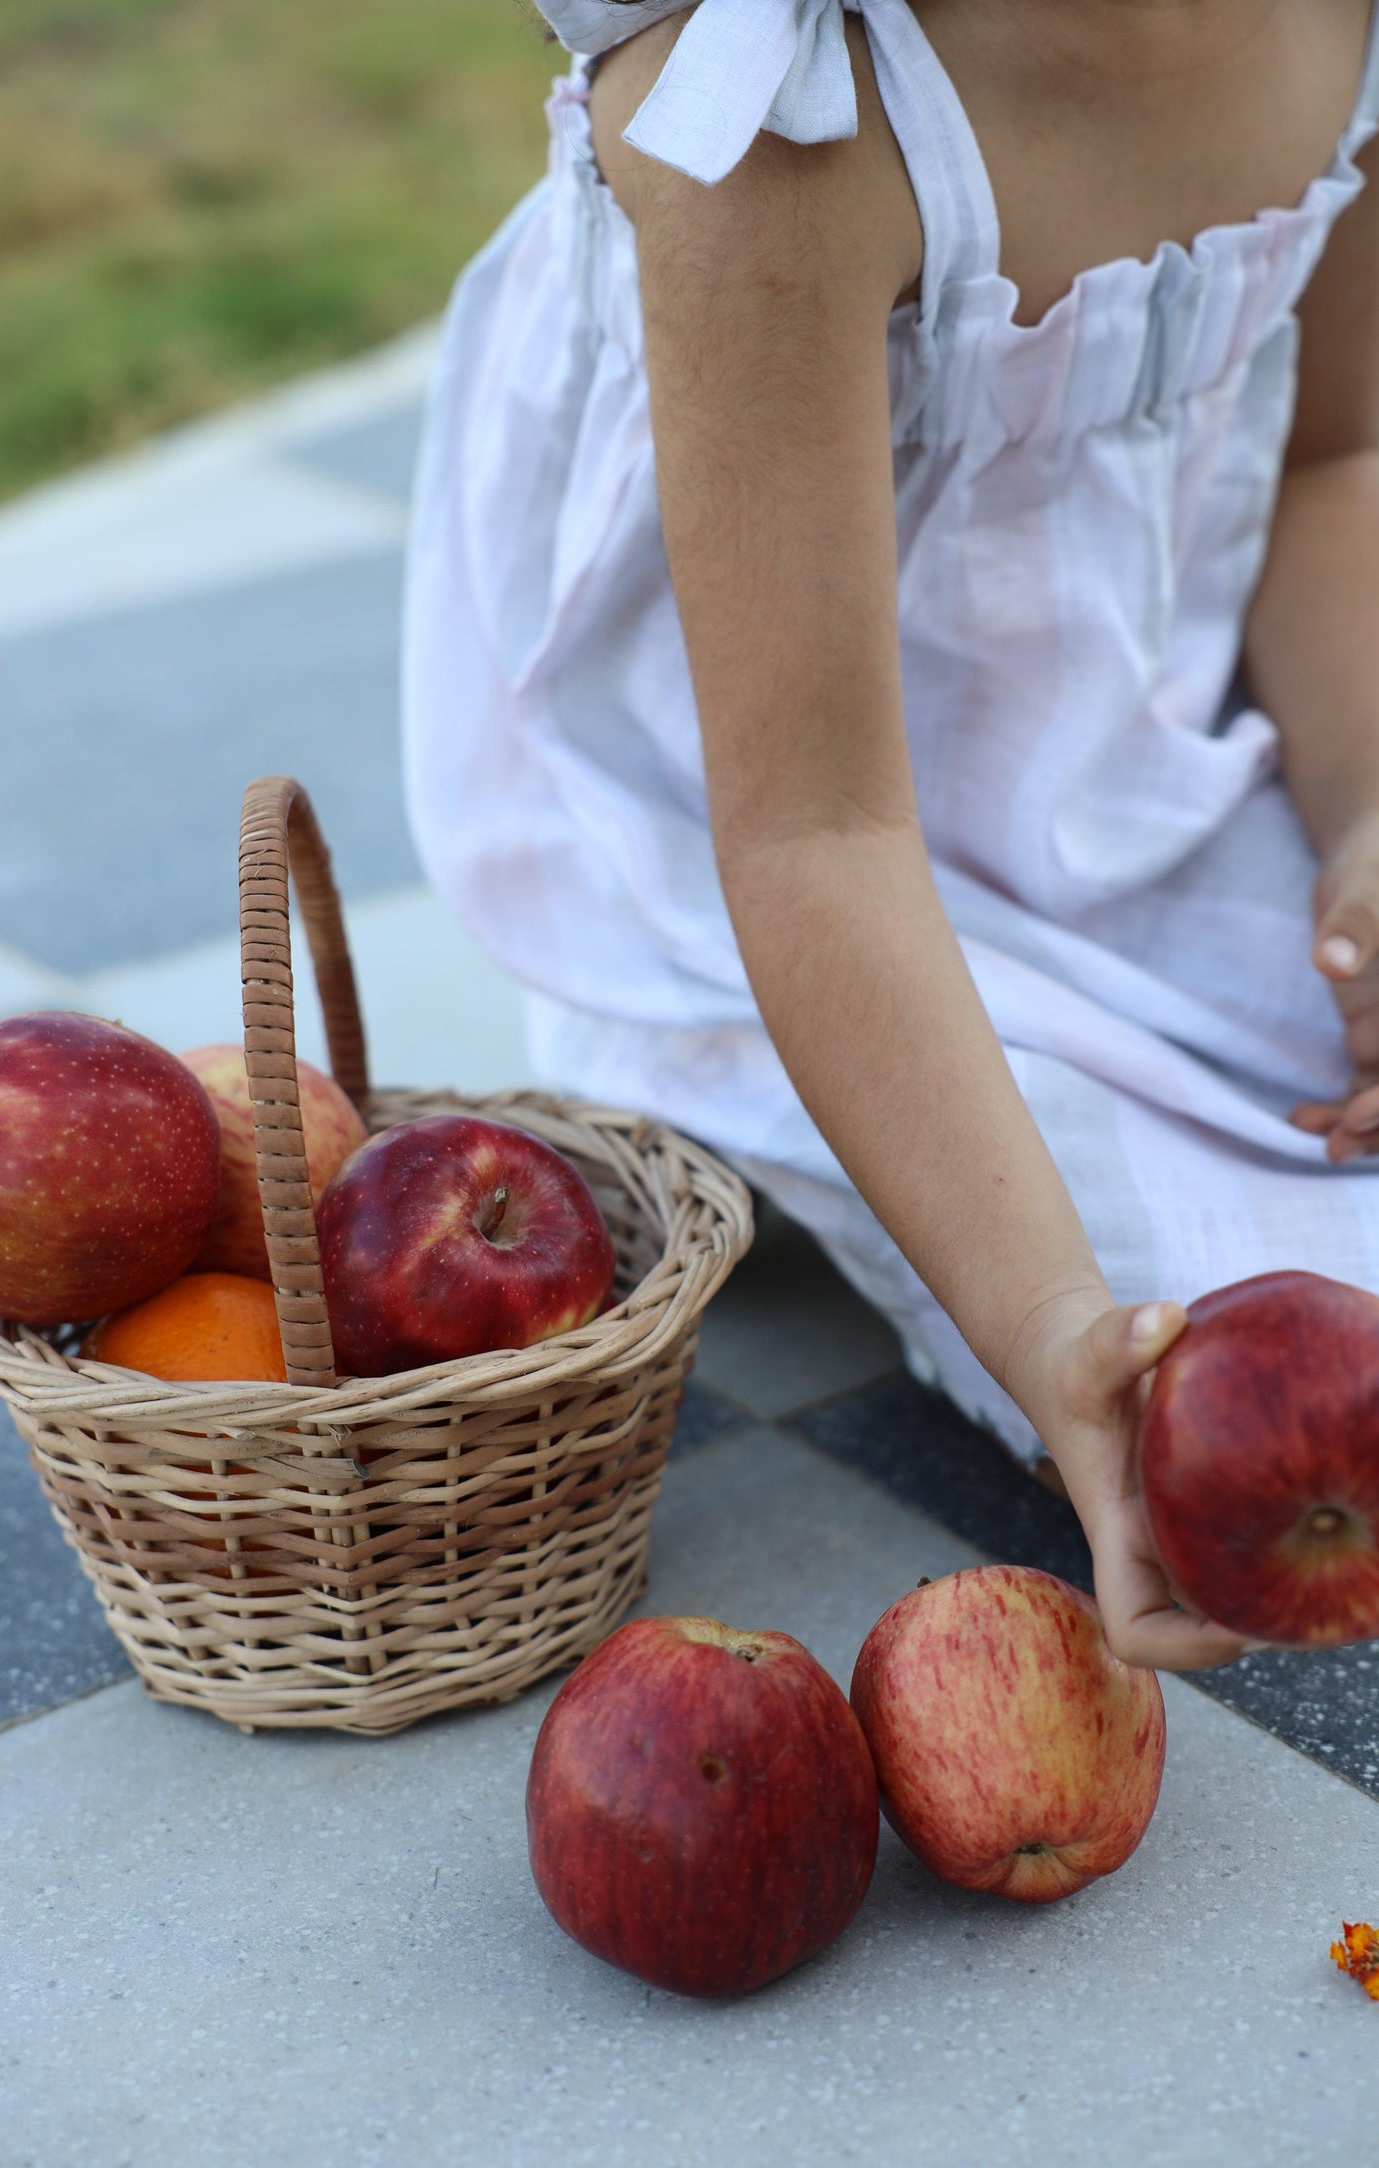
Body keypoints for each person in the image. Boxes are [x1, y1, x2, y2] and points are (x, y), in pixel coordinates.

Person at [402, 0, 1379, 1671]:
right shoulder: (783, 114)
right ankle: (754, 1122)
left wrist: (1362, 806)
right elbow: (807, 833)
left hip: (1123, 743)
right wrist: (1058, 1331)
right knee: (1212, 1327)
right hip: (767, 859)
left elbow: (1337, 454)